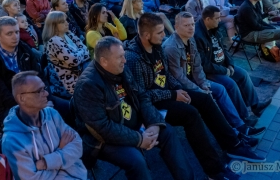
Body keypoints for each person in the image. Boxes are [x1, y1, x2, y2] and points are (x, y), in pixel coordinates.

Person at [124, 14, 265, 176]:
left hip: (168, 94)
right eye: (160, 33)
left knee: (204, 99)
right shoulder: (133, 58)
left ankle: (234, 145)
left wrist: (179, 90)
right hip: (152, 105)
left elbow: (168, 75)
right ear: (146, 35)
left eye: (163, 31)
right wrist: (173, 94)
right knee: (191, 114)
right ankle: (215, 170)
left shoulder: (157, 46)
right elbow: (143, 95)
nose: (164, 36)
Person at [74, 37, 196, 180]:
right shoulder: (88, 85)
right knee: (136, 161)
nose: (125, 61)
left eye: (124, 56)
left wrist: (154, 124)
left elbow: (142, 96)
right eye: (120, 57)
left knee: (167, 132)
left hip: (134, 125)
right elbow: (102, 128)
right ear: (104, 61)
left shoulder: (121, 69)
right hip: (104, 140)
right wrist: (139, 139)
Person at [2, 72, 87, 180]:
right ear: (21, 98)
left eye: (44, 88)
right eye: (39, 91)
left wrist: (46, 163)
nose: (46, 93)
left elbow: (78, 144)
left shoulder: (52, 114)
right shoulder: (12, 142)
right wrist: (61, 151)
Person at [195, 6, 273, 117]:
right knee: (231, 84)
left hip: (222, 65)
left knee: (243, 74)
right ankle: (244, 116)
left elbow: (224, 48)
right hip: (210, 71)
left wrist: (230, 64)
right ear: (208, 19)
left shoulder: (214, 27)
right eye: (217, 18)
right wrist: (224, 70)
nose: (220, 20)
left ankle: (255, 106)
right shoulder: (198, 36)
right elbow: (204, 64)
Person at [0, 17, 40, 122]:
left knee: (65, 110)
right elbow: (1, 94)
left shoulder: (24, 49)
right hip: (10, 106)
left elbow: (39, 75)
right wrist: (26, 105)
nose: (15, 37)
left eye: (17, 32)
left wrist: (42, 96)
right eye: (9, 34)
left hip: (35, 96)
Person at [43, 11, 89, 98]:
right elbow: (74, 60)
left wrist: (79, 54)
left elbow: (86, 51)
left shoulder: (68, 34)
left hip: (81, 74)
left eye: (66, 20)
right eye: (63, 22)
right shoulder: (54, 41)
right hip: (68, 82)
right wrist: (81, 52)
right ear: (54, 25)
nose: (67, 23)